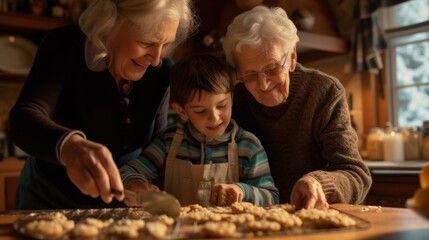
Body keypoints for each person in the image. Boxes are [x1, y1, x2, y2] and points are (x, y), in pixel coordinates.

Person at [8, 0, 198, 210]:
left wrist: (137, 179)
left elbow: (155, 146)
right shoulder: (64, 45)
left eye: (166, 44)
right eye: (146, 42)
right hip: (48, 199)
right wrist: (69, 147)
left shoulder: (161, 71)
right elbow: (23, 119)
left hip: (119, 202)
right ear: (110, 23)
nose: (155, 59)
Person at [222, 5, 372, 210]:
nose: (264, 84)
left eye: (272, 68)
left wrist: (318, 182)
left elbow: (356, 174)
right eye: (250, 74)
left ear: (292, 58)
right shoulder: (236, 98)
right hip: (261, 220)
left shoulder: (324, 91)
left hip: (319, 216)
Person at [119, 53, 279, 207]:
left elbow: (271, 198)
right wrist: (136, 184)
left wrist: (242, 191)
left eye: (222, 105)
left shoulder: (247, 146)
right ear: (182, 111)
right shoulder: (168, 142)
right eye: (201, 111)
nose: (215, 117)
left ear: (232, 97)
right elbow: (127, 171)